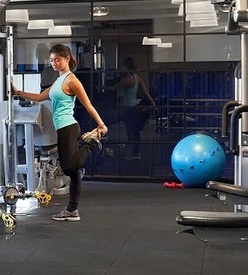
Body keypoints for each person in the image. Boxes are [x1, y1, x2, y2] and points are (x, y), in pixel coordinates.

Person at [12, 43, 108, 222]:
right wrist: (18, 92)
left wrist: (101, 124)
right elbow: (39, 97)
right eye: (51, 60)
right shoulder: (58, 81)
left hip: (68, 127)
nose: (54, 63)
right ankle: (72, 210)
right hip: (64, 128)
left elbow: (88, 105)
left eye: (57, 60)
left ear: (67, 59)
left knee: (68, 167)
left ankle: (92, 143)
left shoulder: (71, 80)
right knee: (74, 172)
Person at [115, 57, 156, 160]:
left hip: (128, 109)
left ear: (126, 67)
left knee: (131, 131)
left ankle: (135, 153)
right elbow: (145, 92)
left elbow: (114, 88)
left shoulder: (126, 80)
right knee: (134, 131)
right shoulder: (138, 78)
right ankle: (134, 152)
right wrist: (153, 103)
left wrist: (101, 87)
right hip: (135, 107)